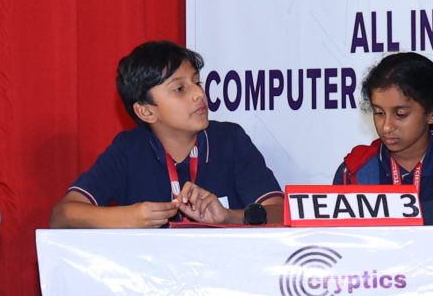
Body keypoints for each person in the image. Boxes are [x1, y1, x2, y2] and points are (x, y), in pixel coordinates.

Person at [51, 41, 284, 228]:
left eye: (197, 82)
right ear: (146, 111)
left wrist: (228, 217)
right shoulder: (129, 148)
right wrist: (130, 217)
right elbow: (62, 215)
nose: (198, 94)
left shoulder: (229, 139)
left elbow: (281, 211)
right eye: (180, 89)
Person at [332, 51, 433, 223]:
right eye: (379, 113)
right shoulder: (356, 169)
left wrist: (390, 216)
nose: (386, 126)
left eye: (400, 114)